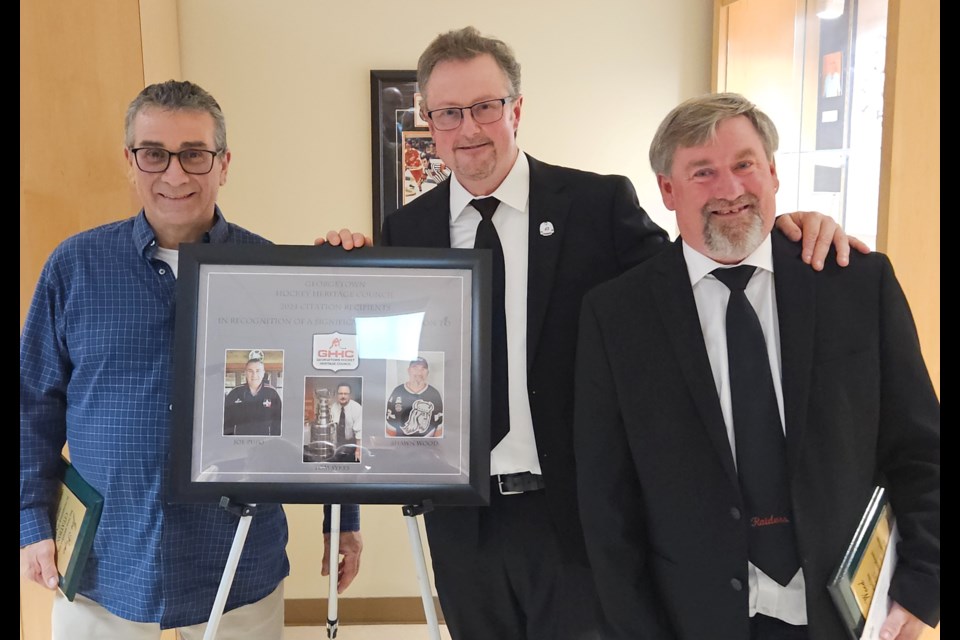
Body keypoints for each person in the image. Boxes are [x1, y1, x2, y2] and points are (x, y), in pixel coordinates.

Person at [323, 27, 863, 640]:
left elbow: (688, 279)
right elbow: (386, 357)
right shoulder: (407, 227)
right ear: (430, 122)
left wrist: (778, 227)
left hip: (578, 515)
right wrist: (342, 274)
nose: (469, 128)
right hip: (464, 523)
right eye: (449, 113)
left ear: (516, 109)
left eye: (485, 107)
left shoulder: (597, 204)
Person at [573, 93, 939, 640]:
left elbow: (921, 450)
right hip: (694, 619)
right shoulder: (617, 315)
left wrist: (923, 585)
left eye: (745, 164)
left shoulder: (857, 283)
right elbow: (607, 501)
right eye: (703, 172)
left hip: (848, 617)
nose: (730, 189)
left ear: (772, 172)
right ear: (667, 191)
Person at [20, 80, 362, 639]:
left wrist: (341, 521)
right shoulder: (75, 267)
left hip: (237, 560)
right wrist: (31, 522)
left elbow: (322, 401)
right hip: (102, 563)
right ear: (130, 162)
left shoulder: (275, 273)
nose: (174, 175)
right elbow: (31, 407)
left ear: (223, 164)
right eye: (154, 154)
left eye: (194, 155)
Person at [223, 356, 283, 436]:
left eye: (258, 371)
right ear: (245, 373)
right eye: (250, 371)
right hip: (239, 443)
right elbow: (226, 423)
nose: (254, 375)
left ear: (263, 373)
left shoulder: (272, 394)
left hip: (264, 444)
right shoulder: (235, 393)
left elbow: (278, 424)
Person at [385, 357, 444, 438]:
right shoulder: (397, 392)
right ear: (408, 370)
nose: (419, 372)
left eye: (423, 369)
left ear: (427, 372)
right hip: (402, 445)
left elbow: (439, 430)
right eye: (415, 368)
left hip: (427, 446)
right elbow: (390, 431)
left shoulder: (434, 394)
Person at [330, 382, 363, 461]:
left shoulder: (357, 408)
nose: (343, 396)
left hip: (352, 444)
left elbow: (359, 432)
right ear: (337, 395)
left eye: (346, 393)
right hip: (336, 445)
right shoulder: (333, 407)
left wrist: (358, 451)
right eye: (340, 393)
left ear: (350, 395)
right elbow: (331, 428)